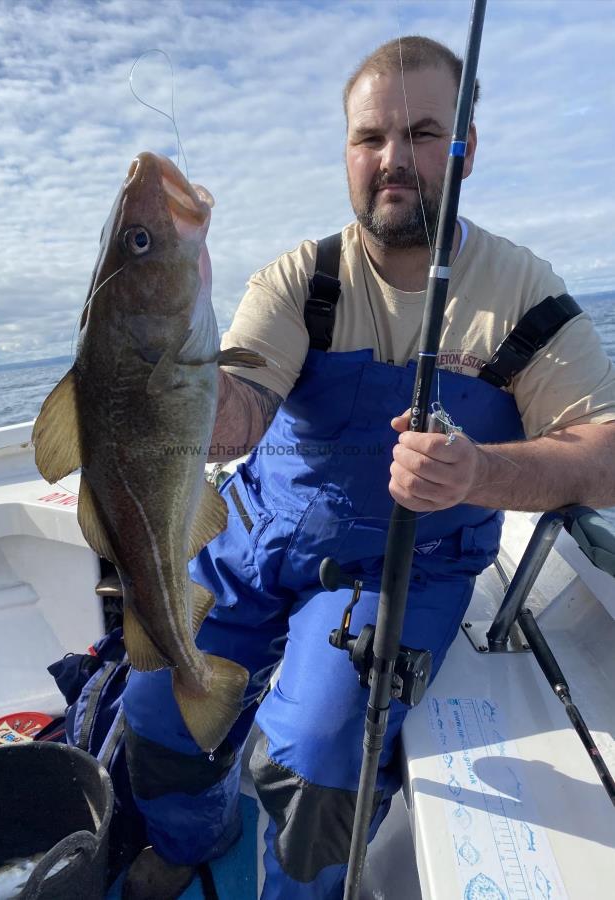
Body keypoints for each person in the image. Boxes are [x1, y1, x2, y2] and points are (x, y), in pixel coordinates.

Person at [122, 36, 615, 900]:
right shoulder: (299, 278)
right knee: (154, 701)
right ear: (346, 151)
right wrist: (166, 364)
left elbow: (604, 453)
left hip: (401, 565)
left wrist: (477, 477)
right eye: (368, 138)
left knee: (314, 751)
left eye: (423, 133)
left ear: (466, 147)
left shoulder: (524, 296)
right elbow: (236, 412)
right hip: (253, 536)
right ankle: (187, 835)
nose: (393, 160)